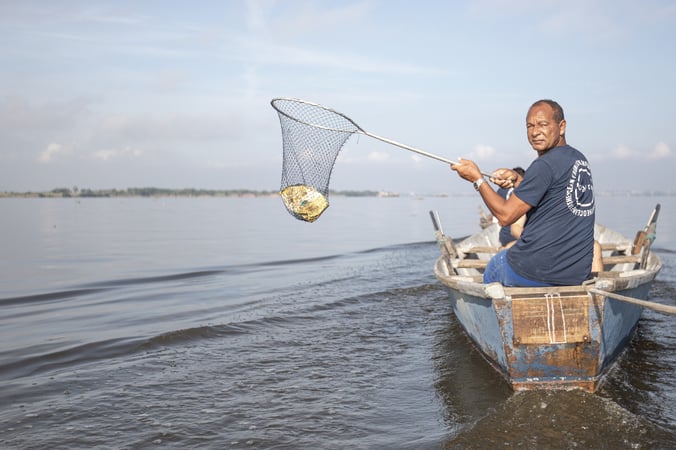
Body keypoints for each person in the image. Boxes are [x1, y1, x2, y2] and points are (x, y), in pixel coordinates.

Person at [451, 99, 596, 287]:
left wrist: (477, 180)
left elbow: (505, 216)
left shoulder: (544, 165)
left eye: (543, 124)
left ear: (562, 127)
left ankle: (495, 312)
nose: (535, 132)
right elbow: (551, 193)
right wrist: (518, 181)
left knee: (497, 263)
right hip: (575, 274)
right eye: (530, 126)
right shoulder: (578, 159)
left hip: (538, 272)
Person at [496, 166, 525, 248]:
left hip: (504, 237)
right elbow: (515, 229)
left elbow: (498, 217)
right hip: (517, 238)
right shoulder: (525, 193)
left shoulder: (501, 191)